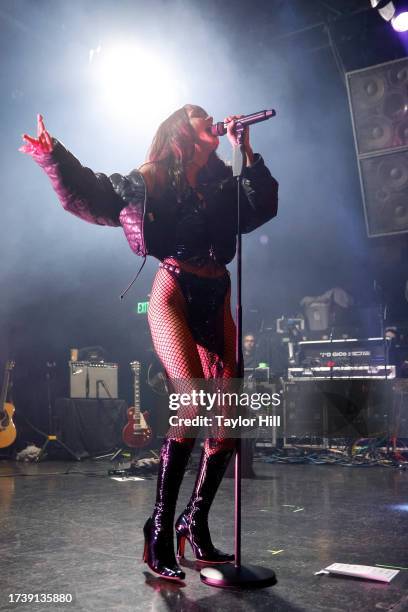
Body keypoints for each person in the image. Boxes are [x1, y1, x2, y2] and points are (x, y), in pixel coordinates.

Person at [19, 106, 279, 582]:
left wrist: (246, 150)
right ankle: (159, 528)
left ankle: (194, 523)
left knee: (228, 419)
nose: (213, 119)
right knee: (193, 402)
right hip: (173, 290)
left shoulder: (223, 182)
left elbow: (261, 207)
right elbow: (95, 193)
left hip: (217, 293)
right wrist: (53, 157)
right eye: (201, 115)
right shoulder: (152, 178)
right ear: (183, 130)